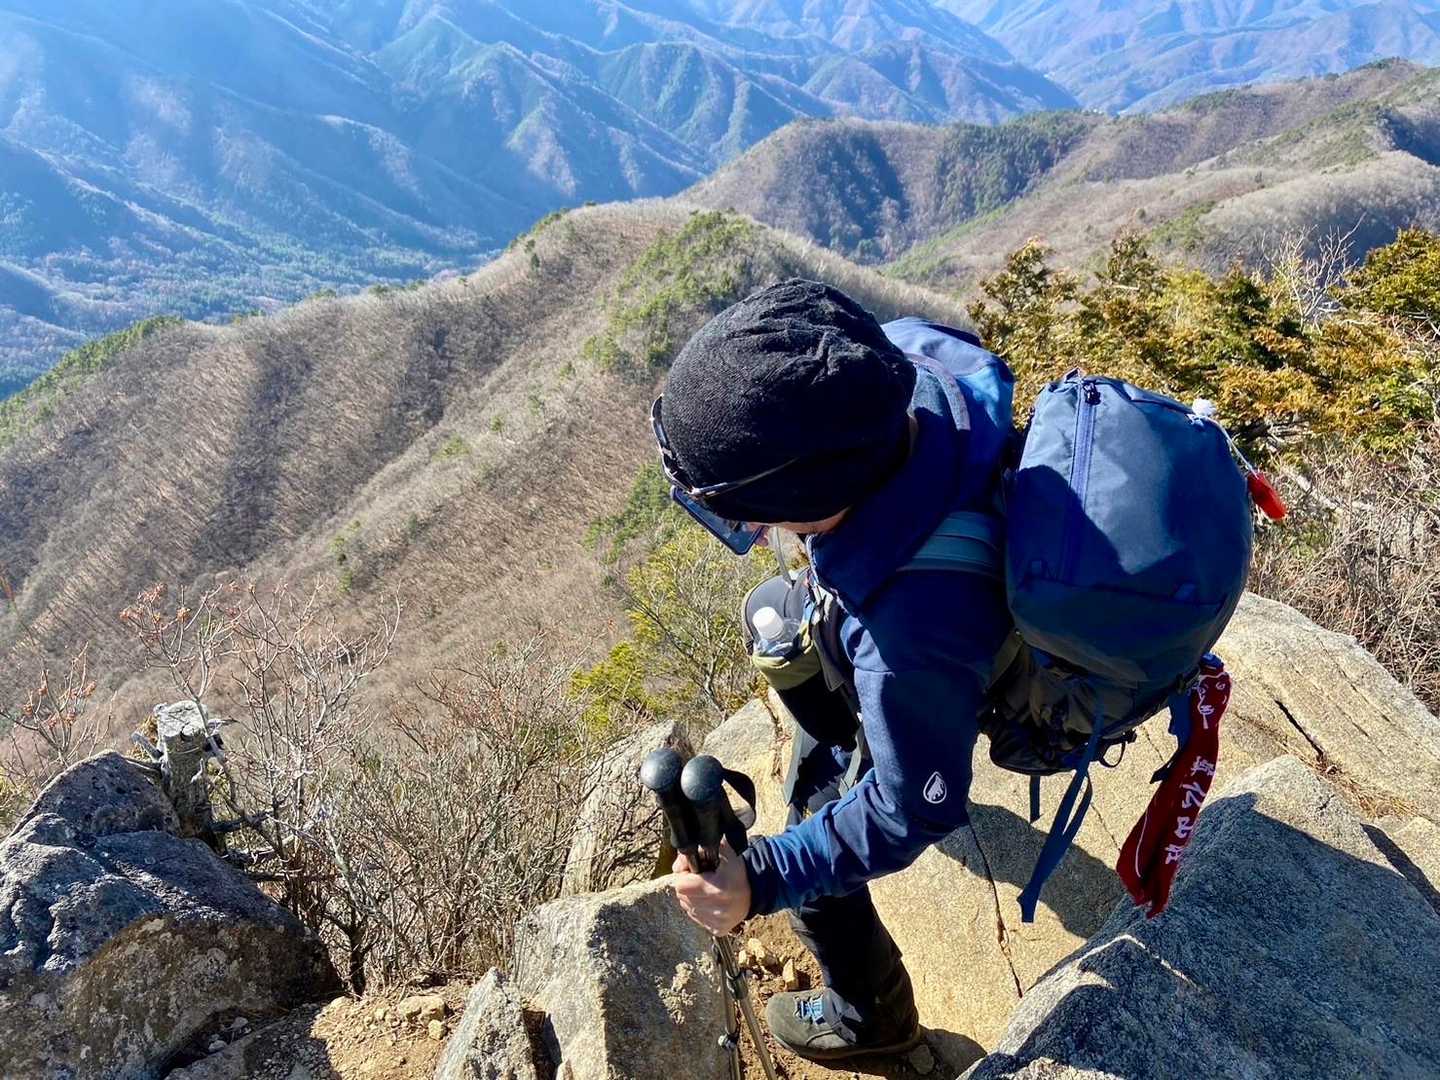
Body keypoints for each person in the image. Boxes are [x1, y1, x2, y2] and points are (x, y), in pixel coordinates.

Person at [652, 278, 1017, 1061]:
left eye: (742, 513)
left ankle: (871, 1022)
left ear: (813, 494)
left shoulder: (906, 637)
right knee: (775, 616)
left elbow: (912, 812)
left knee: (817, 870)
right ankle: (847, 734)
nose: (748, 528)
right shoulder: (893, 370)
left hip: (930, 640)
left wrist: (764, 878)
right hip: (907, 553)